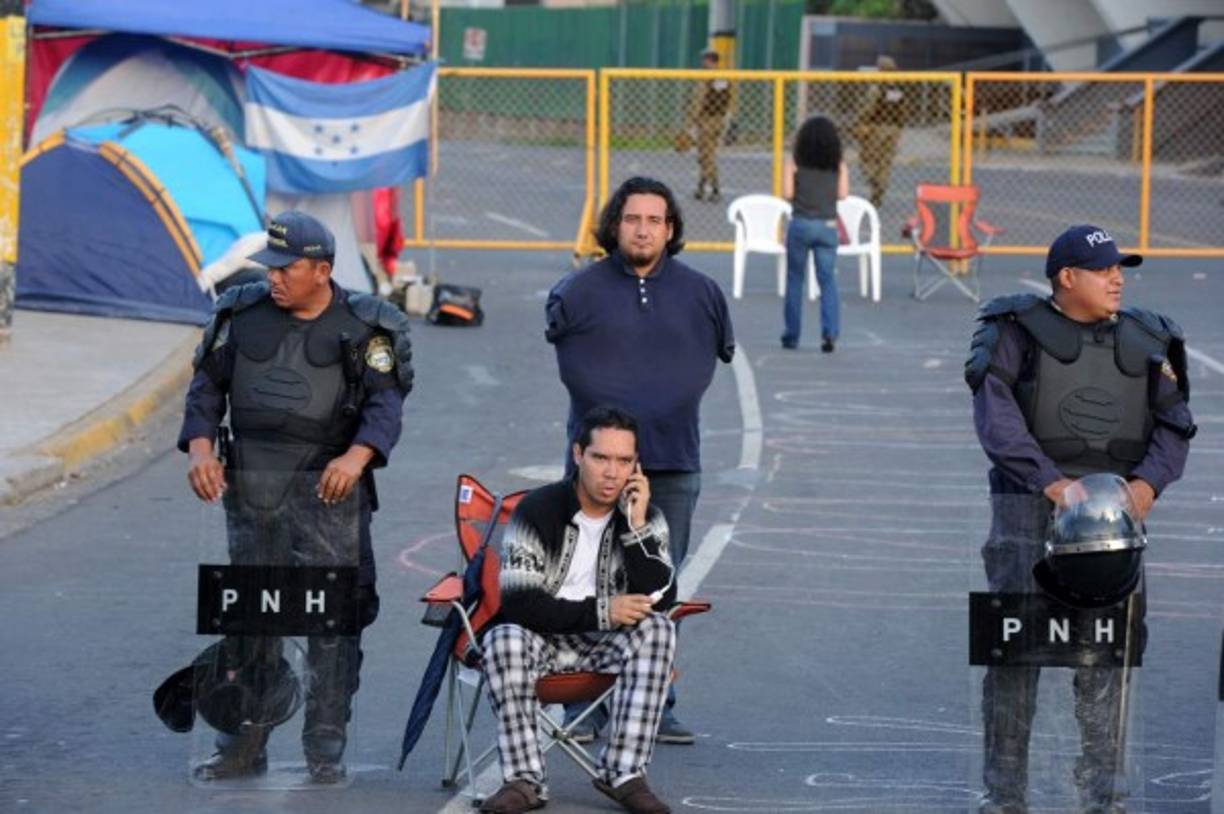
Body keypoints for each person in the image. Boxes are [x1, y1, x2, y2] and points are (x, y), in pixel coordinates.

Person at [965, 224, 1196, 813]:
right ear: (1067, 277)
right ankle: (1005, 797)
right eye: (1103, 268)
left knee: (1108, 667)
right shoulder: (1013, 333)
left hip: (1116, 532)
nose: (1118, 277)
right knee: (1015, 664)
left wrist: (1147, 485)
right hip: (1026, 522)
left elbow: (1174, 425)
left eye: (1121, 268)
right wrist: (1052, 482)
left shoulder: (1148, 338)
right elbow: (997, 422)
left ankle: (1105, 797)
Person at [179, 210, 413, 783]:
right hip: (251, 492)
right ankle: (241, 741)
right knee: (250, 623)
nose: (275, 277)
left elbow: (386, 404)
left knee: (333, 621)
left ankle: (324, 745)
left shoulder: (364, 326)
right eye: (271, 267)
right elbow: (205, 389)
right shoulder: (239, 313)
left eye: (288, 268)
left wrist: (357, 457)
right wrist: (202, 451)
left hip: (329, 497)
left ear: (323, 270)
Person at [546, 176, 734, 745]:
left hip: (674, 463)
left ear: (670, 229)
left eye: (655, 220)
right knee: (589, 582)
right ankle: (585, 704)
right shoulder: (577, 292)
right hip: (597, 467)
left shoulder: (701, 293)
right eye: (632, 219)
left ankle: (655, 702)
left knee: (658, 586)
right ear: (614, 225)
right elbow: (575, 369)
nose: (643, 228)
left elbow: (709, 360)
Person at [478, 406, 677, 814]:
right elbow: (518, 603)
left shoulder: (645, 516)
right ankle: (524, 780)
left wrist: (635, 526)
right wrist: (603, 611)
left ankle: (623, 773)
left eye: (624, 461)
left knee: (659, 629)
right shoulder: (537, 510)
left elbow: (661, 595)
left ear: (635, 466)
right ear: (577, 455)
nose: (611, 472)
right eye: (600, 458)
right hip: (539, 642)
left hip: (605, 647)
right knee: (502, 638)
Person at [781, 115, 849, 352]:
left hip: (800, 223)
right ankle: (829, 333)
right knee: (827, 280)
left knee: (794, 280)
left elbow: (787, 193)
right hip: (827, 225)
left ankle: (792, 335)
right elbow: (842, 195)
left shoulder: (795, 162)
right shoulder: (837, 165)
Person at [852, 54, 905, 209]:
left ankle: (873, 180)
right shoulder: (899, 88)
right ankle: (879, 188)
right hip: (894, 129)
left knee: (867, 158)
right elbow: (903, 109)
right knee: (885, 162)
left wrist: (860, 122)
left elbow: (868, 108)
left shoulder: (877, 87)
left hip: (877, 127)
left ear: (881, 68)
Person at [687, 49, 732, 202]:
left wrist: (693, 121)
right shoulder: (714, 77)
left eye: (705, 60)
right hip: (710, 119)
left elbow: (704, 101)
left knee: (707, 155)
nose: (703, 63)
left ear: (711, 61)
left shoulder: (715, 77)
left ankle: (714, 188)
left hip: (710, 118)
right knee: (704, 155)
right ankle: (701, 187)